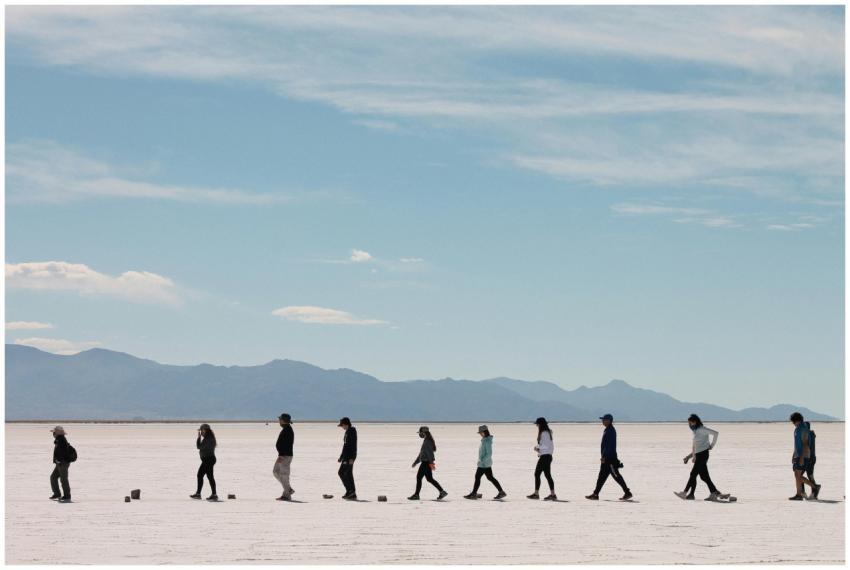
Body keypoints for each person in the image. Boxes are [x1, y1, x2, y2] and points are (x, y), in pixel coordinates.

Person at [674, 414, 725, 501]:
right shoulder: (695, 431)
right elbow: (695, 447)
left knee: (693, 474)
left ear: (695, 422)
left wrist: (712, 445)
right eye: (689, 423)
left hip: (703, 455)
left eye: (690, 423)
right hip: (699, 455)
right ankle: (715, 492)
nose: (689, 425)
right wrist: (689, 457)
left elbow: (716, 433)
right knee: (704, 476)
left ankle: (684, 492)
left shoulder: (702, 429)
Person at [585, 414, 632, 501]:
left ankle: (627, 492)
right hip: (606, 458)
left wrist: (604, 457)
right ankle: (595, 494)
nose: (602, 421)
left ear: (609, 421)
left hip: (610, 459)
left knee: (616, 476)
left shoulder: (610, 431)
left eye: (604, 419)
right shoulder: (608, 430)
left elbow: (609, 446)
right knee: (601, 477)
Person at [464, 425, 506, 500]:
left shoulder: (487, 441)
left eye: (481, 432)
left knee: (477, 477)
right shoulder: (485, 440)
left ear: (484, 432)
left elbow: (489, 453)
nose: (480, 434)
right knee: (490, 477)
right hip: (485, 463)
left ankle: (474, 494)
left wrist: (482, 461)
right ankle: (501, 492)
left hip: (484, 464)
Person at [408, 426, 448, 500]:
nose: (419, 434)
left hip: (426, 463)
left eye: (420, 433)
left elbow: (429, 453)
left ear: (423, 433)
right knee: (429, 479)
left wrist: (431, 462)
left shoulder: (428, 441)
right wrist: (416, 462)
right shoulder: (426, 440)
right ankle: (442, 491)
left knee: (419, 477)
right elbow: (421, 454)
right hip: (426, 462)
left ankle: (416, 495)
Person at [789, 412, 820, 500]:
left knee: (800, 475)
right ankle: (799, 494)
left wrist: (802, 458)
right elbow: (797, 444)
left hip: (805, 456)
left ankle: (814, 487)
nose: (793, 424)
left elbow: (805, 445)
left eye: (793, 422)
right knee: (797, 474)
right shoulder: (797, 429)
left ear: (797, 421)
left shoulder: (803, 429)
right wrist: (794, 455)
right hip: (799, 455)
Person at [527, 417, 556, 500]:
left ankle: (537, 494)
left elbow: (546, 445)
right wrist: (539, 449)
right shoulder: (547, 432)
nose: (537, 426)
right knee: (547, 475)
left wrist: (537, 448)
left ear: (540, 424)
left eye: (537, 424)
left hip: (545, 457)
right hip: (547, 456)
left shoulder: (544, 433)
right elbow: (548, 446)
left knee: (537, 474)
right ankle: (552, 494)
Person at [190, 424, 218, 501]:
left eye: (202, 430)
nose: (201, 432)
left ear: (205, 430)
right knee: (210, 477)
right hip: (209, 459)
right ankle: (213, 494)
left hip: (208, 460)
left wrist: (199, 438)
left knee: (200, 475)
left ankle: (199, 494)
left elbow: (199, 447)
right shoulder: (208, 438)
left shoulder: (208, 439)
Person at [274, 413, 295, 501]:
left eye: (280, 419)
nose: (279, 421)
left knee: (283, 474)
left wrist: (282, 455)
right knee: (276, 472)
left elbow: (286, 445)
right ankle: (288, 489)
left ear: (283, 420)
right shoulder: (286, 429)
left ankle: (287, 494)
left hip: (285, 455)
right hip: (283, 455)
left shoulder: (288, 430)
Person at [49, 426, 73, 503]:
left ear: (57, 433)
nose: (53, 434)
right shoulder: (58, 440)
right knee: (53, 477)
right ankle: (57, 494)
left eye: (54, 433)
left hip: (62, 463)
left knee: (63, 479)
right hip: (59, 462)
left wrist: (59, 460)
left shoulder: (61, 440)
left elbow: (62, 452)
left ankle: (67, 496)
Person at [337, 417, 357, 500]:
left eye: (342, 425)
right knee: (347, 473)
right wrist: (341, 457)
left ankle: (351, 491)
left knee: (342, 472)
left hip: (349, 457)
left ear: (346, 424)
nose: (342, 427)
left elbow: (353, 446)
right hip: (346, 456)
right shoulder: (347, 432)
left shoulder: (352, 432)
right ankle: (350, 492)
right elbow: (345, 446)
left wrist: (352, 458)